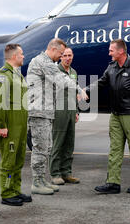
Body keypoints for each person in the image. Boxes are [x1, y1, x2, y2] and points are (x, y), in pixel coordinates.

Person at [85, 39, 130, 194]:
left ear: (121, 51)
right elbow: (101, 83)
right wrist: (85, 91)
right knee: (115, 149)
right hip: (115, 115)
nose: (109, 53)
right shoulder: (111, 67)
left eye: (111, 50)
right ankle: (113, 183)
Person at [27, 38, 87, 195]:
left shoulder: (48, 63)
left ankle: (41, 179)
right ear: (53, 49)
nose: (61, 56)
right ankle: (36, 182)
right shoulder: (42, 61)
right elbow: (60, 79)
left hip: (46, 111)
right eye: (61, 53)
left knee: (45, 147)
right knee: (40, 148)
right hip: (39, 111)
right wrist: (80, 89)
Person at [0, 44, 32, 206]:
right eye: (21, 54)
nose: (23, 56)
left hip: (21, 125)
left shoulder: (17, 75)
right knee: (9, 161)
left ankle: (15, 189)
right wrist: (2, 125)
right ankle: (7, 192)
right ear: (14, 56)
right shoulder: (4, 75)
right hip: (10, 125)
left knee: (18, 159)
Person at [49, 47, 80, 185]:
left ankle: (66, 172)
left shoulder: (73, 72)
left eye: (70, 55)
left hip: (71, 110)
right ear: (60, 57)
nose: (68, 58)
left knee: (69, 143)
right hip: (59, 111)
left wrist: (77, 111)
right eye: (65, 55)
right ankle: (55, 173)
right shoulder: (55, 72)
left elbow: (75, 92)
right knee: (58, 143)